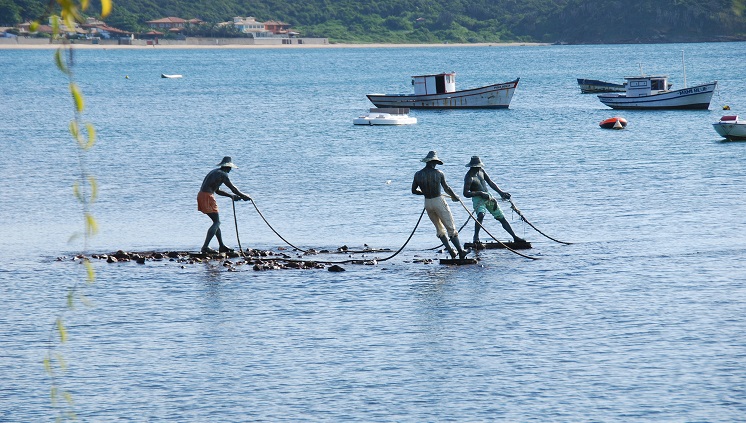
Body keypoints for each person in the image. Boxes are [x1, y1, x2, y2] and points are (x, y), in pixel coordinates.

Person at [412, 151, 469, 259]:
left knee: (439, 228)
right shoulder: (439, 173)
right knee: (450, 227)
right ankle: (461, 251)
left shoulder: (418, 174)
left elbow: (414, 190)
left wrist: (424, 192)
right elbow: (446, 188)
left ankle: (451, 251)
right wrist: (454, 196)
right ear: (434, 162)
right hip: (438, 201)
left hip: (427, 203)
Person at [463, 156, 525, 245]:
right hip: (477, 198)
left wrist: (501, 193)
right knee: (481, 215)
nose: (479, 168)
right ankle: (475, 237)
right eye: (477, 167)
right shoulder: (469, 177)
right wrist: (479, 193)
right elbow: (465, 193)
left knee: (501, 217)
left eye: (479, 166)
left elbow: (490, 182)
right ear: (472, 167)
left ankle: (514, 237)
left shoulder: (481, 171)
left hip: (488, 196)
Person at [197, 156, 251, 254]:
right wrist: (243, 196)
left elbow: (217, 190)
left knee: (215, 222)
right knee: (217, 222)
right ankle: (205, 247)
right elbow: (233, 188)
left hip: (202, 195)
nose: (230, 170)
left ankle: (221, 246)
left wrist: (231, 196)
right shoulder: (223, 175)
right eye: (230, 168)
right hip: (207, 197)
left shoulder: (214, 172)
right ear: (227, 167)